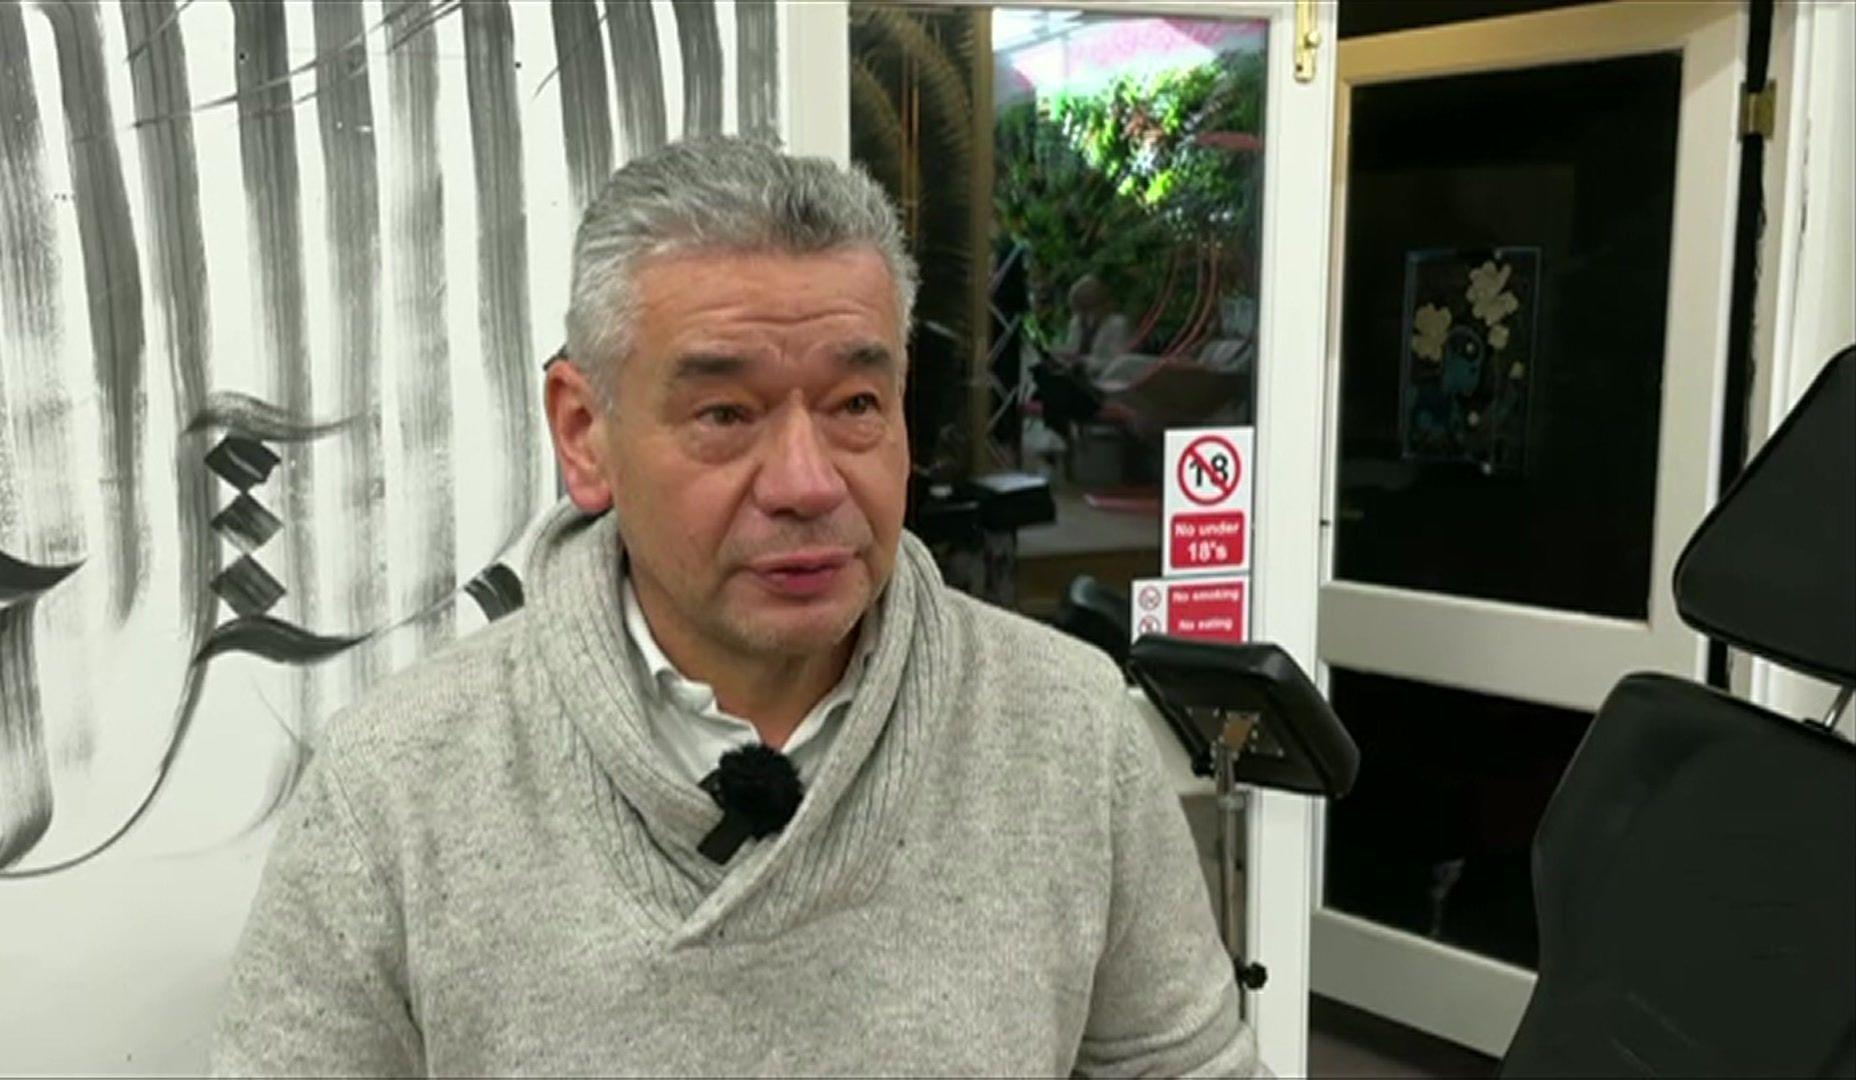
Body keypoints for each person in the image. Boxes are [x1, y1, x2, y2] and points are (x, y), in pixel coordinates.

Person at [211, 137, 1262, 1077]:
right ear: (585, 433)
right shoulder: (400, 784)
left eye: (856, 404)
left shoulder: (1068, 732)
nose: (807, 481)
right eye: (725, 411)